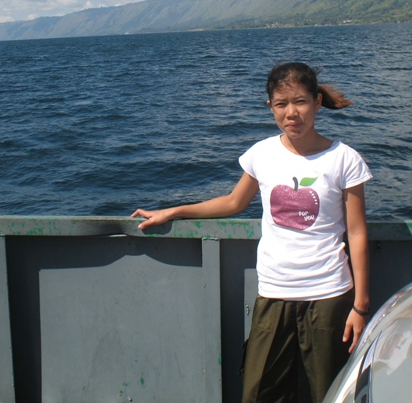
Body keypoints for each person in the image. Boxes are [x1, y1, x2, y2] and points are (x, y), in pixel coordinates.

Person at [132, 61, 372, 403]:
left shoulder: (344, 159)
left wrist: (360, 306)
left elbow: (357, 233)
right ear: (269, 107)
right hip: (273, 292)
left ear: (317, 102)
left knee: (330, 394)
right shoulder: (262, 154)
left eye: (301, 101)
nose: (292, 113)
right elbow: (233, 202)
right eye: (281, 104)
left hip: (329, 295)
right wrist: (174, 210)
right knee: (259, 393)